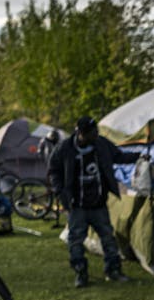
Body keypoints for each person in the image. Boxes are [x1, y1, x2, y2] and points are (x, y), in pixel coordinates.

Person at [48, 117, 135, 287]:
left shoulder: (101, 144)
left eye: (96, 131)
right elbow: (53, 170)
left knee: (108, 238)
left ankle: (113, 271)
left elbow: (119, 156)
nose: (96, 134)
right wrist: (60, 191)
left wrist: (140, 156)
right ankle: (81, 273)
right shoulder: (65, 148)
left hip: (98, 203)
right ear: (81, 133)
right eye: (93, 132)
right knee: (76, 240)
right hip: (77, 205)